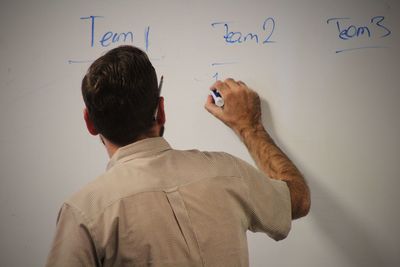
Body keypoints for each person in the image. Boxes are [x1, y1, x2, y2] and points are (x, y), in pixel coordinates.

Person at [46, 45, 310, 267]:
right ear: (160, 111)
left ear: (90, 124)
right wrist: (249, 127)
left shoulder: (85, 213)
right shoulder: (229, 173)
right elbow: (296, 200)